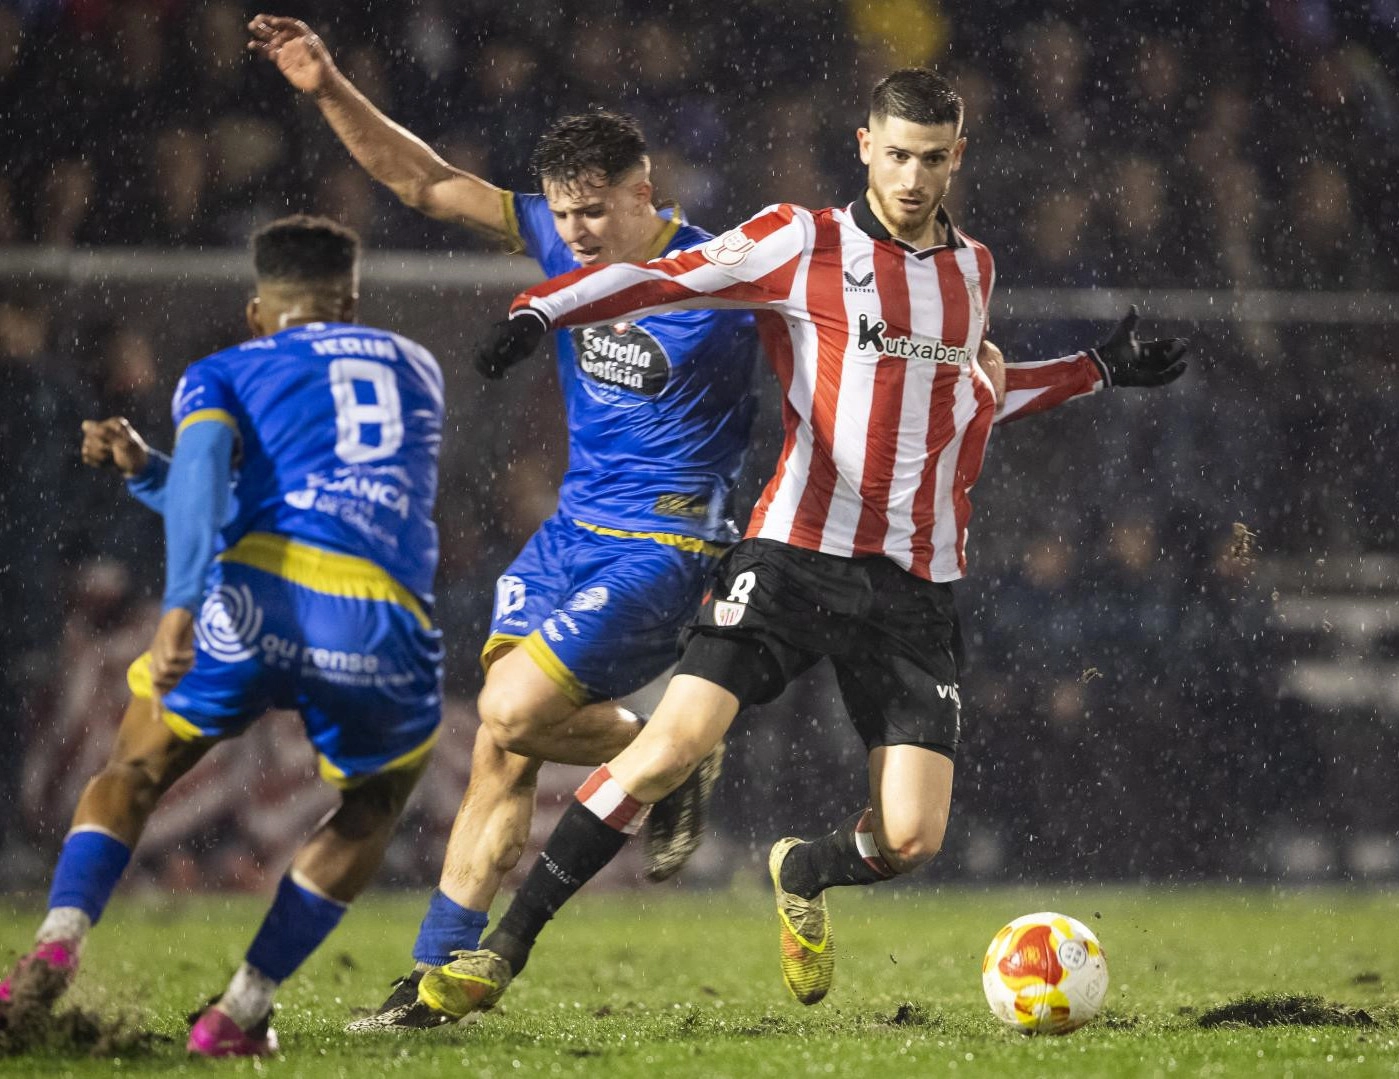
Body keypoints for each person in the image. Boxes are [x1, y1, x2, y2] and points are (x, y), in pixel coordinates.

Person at [412, 68, 1190, 1021]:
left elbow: (971, 397)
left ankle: (804, 870)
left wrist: (1095, 369)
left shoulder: (973, 272)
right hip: (791, 554)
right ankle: (500, 954)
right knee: (668, 747)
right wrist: (543, 309)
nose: (912, 177)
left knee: (911, 839)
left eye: (932, 159)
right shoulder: (800, 240)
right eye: (896, 155)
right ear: (865, 147)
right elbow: (663, 276)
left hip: (912, 584)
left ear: (957, 157)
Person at [247, 15, 758, 1027]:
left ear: (645, 191)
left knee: (511, 710)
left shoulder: (732, 272)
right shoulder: (558, 237)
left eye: (595, 211)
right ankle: (435, 979)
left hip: (666, 541)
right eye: (563, 214)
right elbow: (425, 182)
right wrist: (328, 85)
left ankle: (668, 750)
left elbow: (834, 345)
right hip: (571, 532)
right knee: (502, 745)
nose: (577, 233)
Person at [0, 216, 446, 1057]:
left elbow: (209, 484)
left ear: (256, 313)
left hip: (249, 600)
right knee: (374, 802)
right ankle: (240, 1009)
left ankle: (56, 943)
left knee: (134, 768)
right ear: (351, 304)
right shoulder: (417, 367)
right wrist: (147, 470)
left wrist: (178, 605)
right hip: (374, 613)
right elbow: (320, 497)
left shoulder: (226, 368)